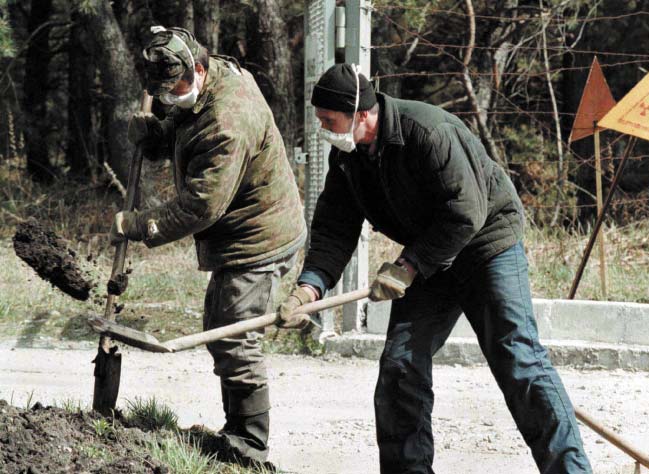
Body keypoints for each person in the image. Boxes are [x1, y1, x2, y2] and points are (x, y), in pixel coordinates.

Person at [277, 63, 593, 474]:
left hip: (486, 245)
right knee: (400, 366)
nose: (322, 129)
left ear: (361, 114)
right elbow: (334, 229)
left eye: (328, 120)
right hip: (429, 258)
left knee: (519, 360)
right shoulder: (348, 158)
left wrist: (409, 265)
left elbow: (466, 213)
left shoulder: (428, 132)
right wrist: (309, 288)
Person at [109, 26, 306, 470]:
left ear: (197, 69)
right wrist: (160, 135)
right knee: (223, 327)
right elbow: (188, 122)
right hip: (242, 231)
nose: (168, 98)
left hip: (258, 237)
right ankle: (236, 432)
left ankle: (249, 447)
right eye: (161, 93)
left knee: (234, 335)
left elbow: (201, 206)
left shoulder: (228, 120)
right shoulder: (206, 81)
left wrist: (137, 225)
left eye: (174, 89)